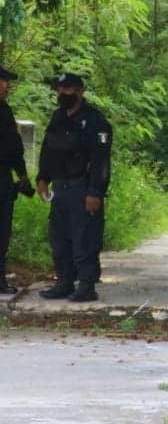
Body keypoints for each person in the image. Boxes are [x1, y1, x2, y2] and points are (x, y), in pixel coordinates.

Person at [36, 74, 112, 302]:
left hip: (82, 187)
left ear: (80, 91)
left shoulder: (95, 121)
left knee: (85, 237)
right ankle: (64, 282)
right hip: (60, 186)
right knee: (59, 238)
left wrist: (95, 191)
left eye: (67, 89)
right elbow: (48, 149)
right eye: (59, 89)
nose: (62, 94)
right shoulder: (58, 117)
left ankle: (87, 285)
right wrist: (43, 178)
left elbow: (101, 161)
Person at [0, 65, 31, 295]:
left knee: (2, 232)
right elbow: (12, 147)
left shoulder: (4, 110)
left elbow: (14, 146)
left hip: (3, 177)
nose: (7, 86)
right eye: (4, 81)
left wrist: (21, 174)